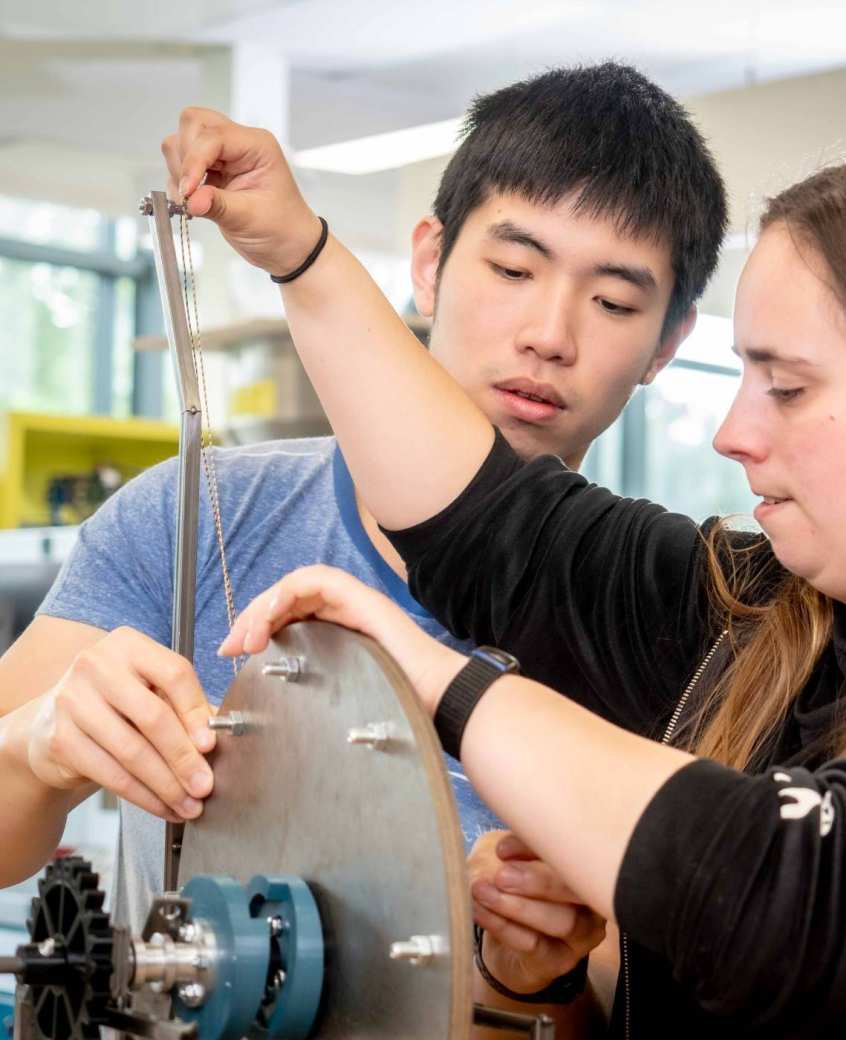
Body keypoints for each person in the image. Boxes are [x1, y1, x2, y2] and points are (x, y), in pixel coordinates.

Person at [171, 108, 846, 1036]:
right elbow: (489, 527)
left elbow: (803, 898)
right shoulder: (757, 614)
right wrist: (300, 253)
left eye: (788, 388)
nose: (735, 434)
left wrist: (444, 685)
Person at [0, 63, 726, 1029]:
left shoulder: (668, 640)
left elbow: (613, 1011)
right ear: (428, 261)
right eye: (513, 270)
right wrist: (38, 745)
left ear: (669, 344)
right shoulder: (196, 516)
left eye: (615, 304)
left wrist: (528, 971)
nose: (550, 335)